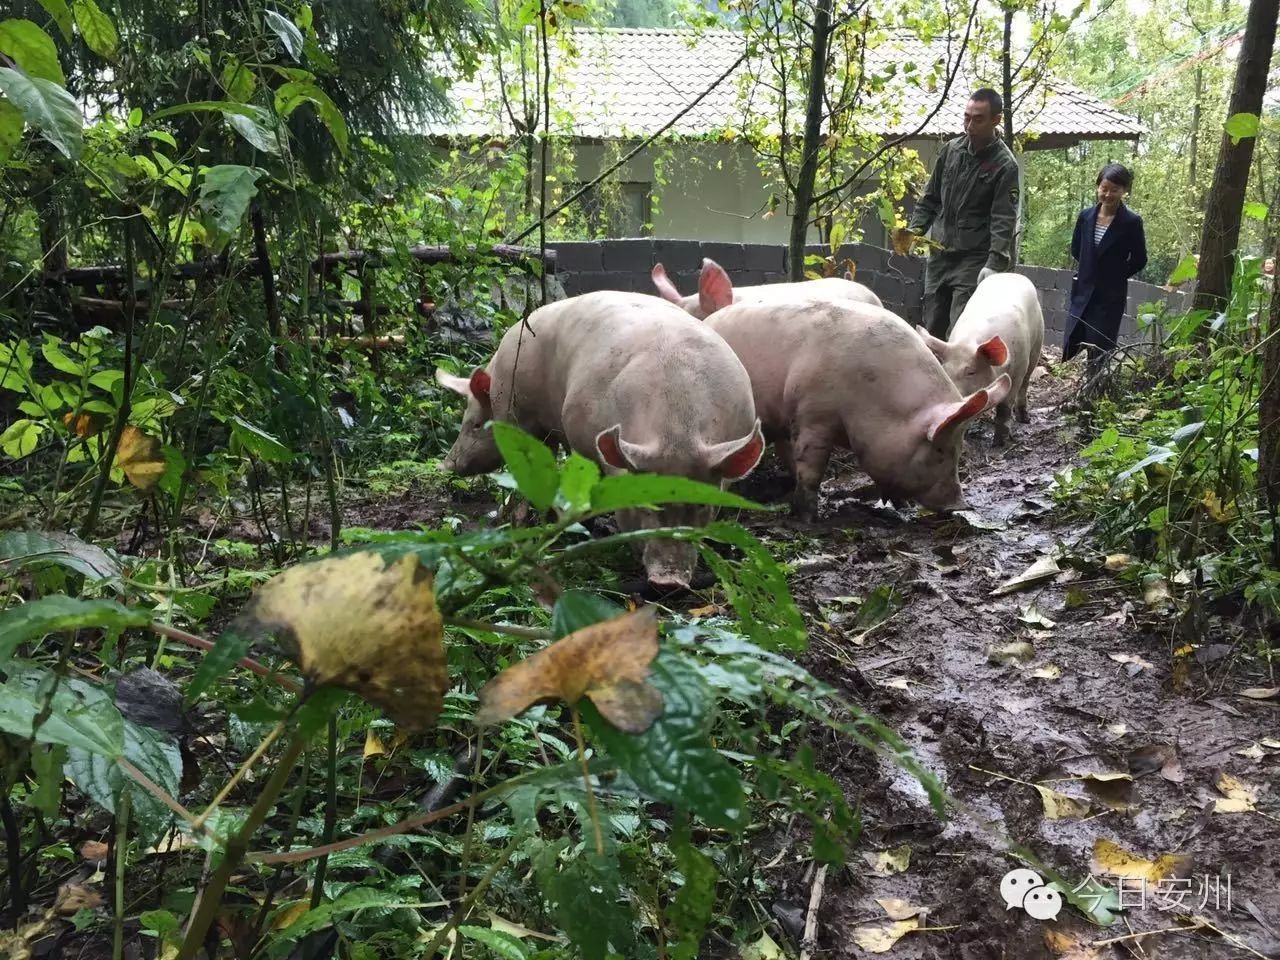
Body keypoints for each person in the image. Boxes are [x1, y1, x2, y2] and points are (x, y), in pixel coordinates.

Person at [897, 88, 1021, 339]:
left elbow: (1003, 218)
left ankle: (961, 379)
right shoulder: (951, 151)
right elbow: (930, 198)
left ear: (996, 120)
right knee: (931, 328)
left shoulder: (1004, 165)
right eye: (966, 117)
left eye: (978, 119)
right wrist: (914, 231)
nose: (969, 125)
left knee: (961, 331)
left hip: (973, 259)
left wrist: (994, 264)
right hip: (940, 255)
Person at [1062, 162, 1147, 370]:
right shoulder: (1086, 216)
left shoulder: (1131, 222)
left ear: (1124, 191)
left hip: (1110, 295)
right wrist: (1088, 270)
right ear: (1098, 187)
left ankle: (1096, 387)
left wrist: (1115, 275)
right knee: (1075, 336)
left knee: (1100, 345)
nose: (1108, 194)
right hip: (1083, 289)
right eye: (1104, 188)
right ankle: (1075, 382)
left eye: (1115, 190)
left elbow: (1139, 258)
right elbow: (1076, 249)